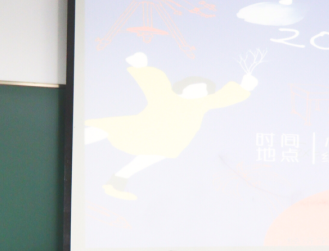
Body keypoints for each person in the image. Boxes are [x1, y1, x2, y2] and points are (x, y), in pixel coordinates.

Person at [85, 52, 257, 200]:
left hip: (165, 140)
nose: (199, 93)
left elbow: (223, 98)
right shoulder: (165, 95)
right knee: (104, 129)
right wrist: (142, 66)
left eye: (203, 91)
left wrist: (244, 87)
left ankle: (116, 182)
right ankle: (73, 143)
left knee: (151, 156)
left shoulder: (202, 104)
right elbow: (155, 83)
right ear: (182, 88)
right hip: (139, 128)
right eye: (195, 88)